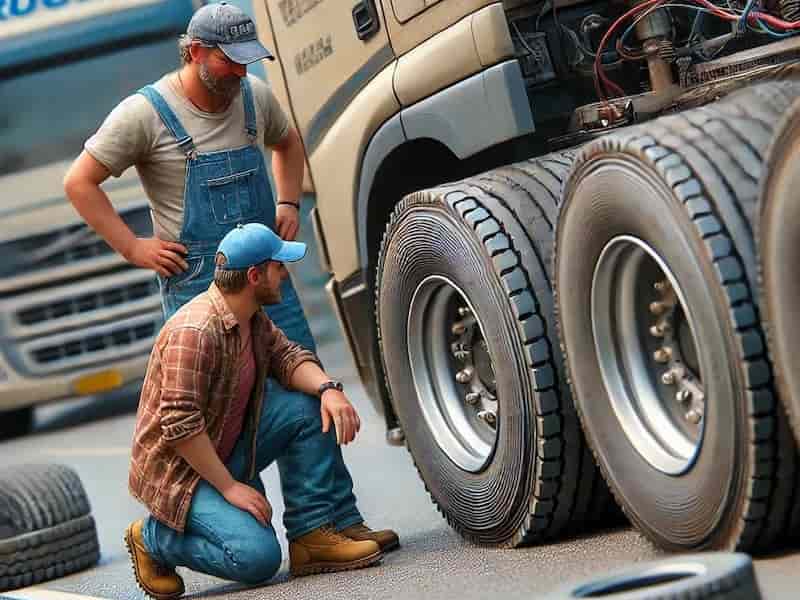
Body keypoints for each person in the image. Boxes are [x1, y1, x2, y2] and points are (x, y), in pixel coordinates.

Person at [124, 223, 398, 600]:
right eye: (278, 267)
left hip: (224, 447)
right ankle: (153, 537)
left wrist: (328, 390)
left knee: (308, 407)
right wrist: (229, 487)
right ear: (254, 276)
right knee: (256, 558)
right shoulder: (195, 331)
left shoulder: (249, 316)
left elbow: (287, 357)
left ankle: (312, 534)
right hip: (185, 475)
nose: (284, 275)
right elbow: (180, 426)